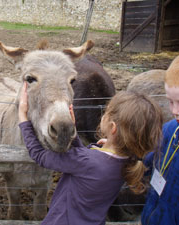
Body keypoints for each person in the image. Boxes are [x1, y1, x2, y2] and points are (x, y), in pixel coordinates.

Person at [18, 82, 163, 225]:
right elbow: (88, 162)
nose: (103, 115)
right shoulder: (128, 162)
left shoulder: (86, 161)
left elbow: (39, 154)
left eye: (106, 112)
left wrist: (23, 117)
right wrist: (75, 134)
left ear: (112, 128)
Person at [141, 55, 179, 225]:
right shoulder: (170, 129)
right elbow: (147, 161)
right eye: (170, 102)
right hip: (153, 216)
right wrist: (116, 152)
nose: (174, 111)